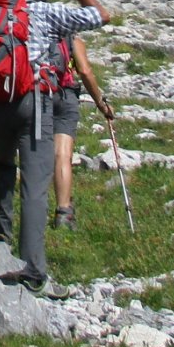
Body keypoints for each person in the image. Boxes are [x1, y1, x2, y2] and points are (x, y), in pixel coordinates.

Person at [0, 0, 111, 295]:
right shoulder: (47, 14)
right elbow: (101, 15)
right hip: (31, 103)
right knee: (35, 184)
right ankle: (33, 270)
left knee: (2, 163)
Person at [49, 33, 112, 230]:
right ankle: (64, 212)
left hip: (36, 93)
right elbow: (84, 71)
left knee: (32, 151)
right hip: (65, 94)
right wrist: (101, 103)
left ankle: (33, 207)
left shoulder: (30, 34)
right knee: (62, 155)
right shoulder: (71, 39)